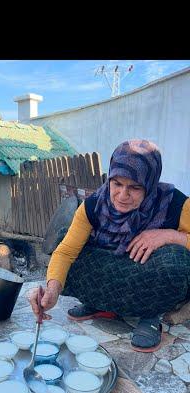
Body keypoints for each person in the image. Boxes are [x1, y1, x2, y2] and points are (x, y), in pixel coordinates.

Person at [29, 139, 190, 353]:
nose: (123, 195)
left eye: (134, 187)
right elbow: (66, 252)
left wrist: (169, 235)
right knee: (62, 242)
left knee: (176, 262)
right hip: (111, 269)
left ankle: (150, 315)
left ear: (149, 185)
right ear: (110, 179)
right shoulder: (93, 206)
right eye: (117, 184)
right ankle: (100, 305)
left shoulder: (176, 204)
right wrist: (52, 290)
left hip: (143, 275)